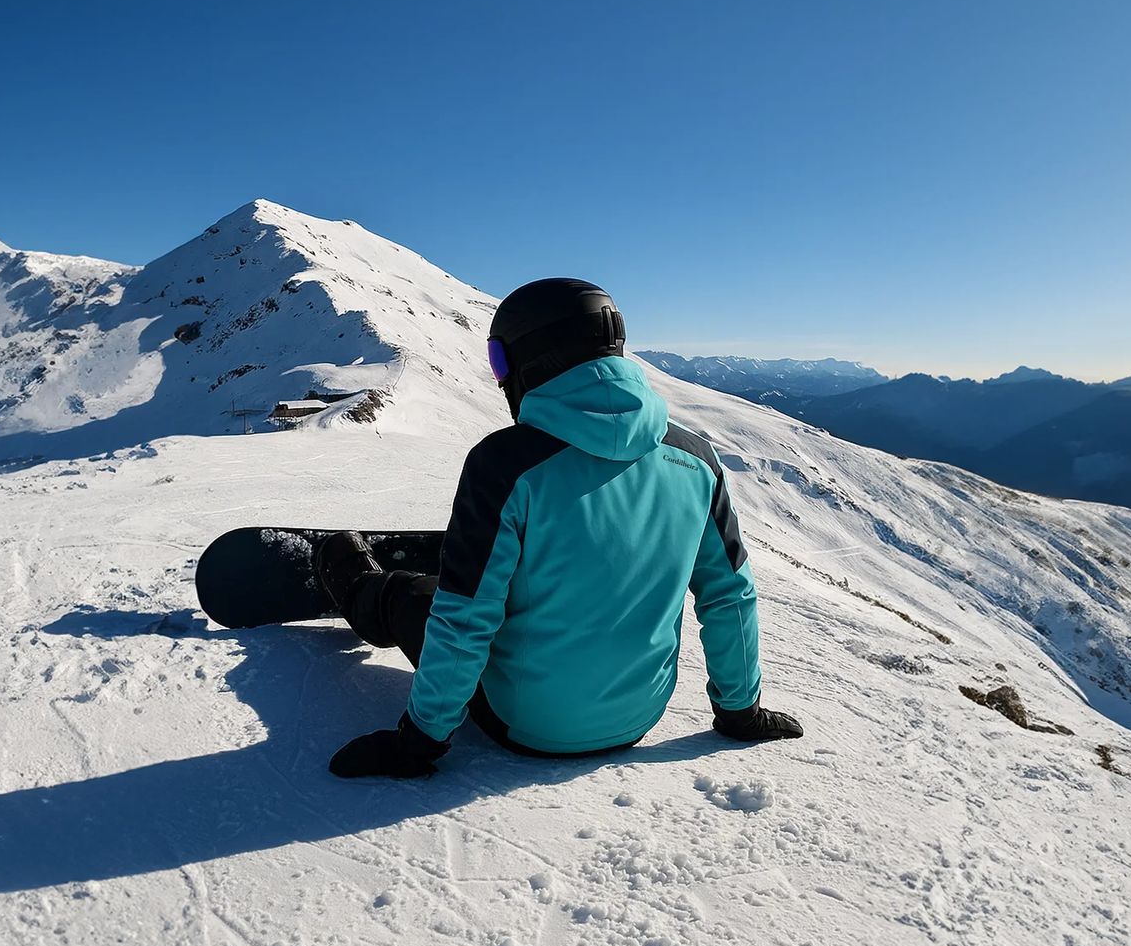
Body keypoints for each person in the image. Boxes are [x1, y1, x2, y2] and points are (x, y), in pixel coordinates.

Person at [316, 278, 803, 778]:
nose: (499, 377)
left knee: (417, 600)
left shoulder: (504, 463)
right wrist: (741, 713)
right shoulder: (697, 459)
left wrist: (416, 743)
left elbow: (465, 620)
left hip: (527, 724)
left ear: (532, 357)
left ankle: (357, 586)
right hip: (639, 717)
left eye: (498, 361)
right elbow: (730, 595)